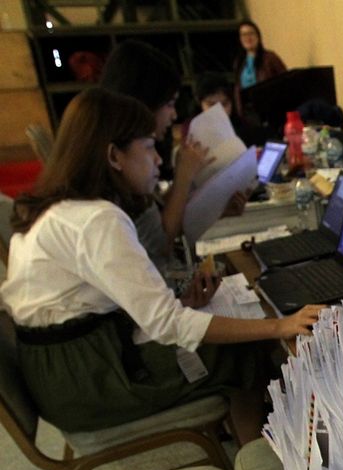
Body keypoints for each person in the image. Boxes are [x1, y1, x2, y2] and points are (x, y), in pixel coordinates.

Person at [0, 88, 321, 444]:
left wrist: (179, 305)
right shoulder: (97, 219)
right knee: (245, 351)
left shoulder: (64, 207)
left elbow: (112, 304)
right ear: (114, 156)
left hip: (65, 370)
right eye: (150, 146)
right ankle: (262, 464)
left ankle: (254, 452)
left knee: (233, 333)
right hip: (88, 381)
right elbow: (167, 324)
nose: (157, 161)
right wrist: (280, 325)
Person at [100, 40, 208, 274]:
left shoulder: (123, 149)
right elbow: (161, 244)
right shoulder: (124, 159)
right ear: (144, 102)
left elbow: (154, 215)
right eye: (169, 103)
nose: (174, 114)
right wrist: (183, 177)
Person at [233, 19, 287, 115]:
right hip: (249, 112)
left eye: (251, 33)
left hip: (270, 108)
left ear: (258, 36)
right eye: (244, 35)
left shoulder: (270, 58)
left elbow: (285, 80)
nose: (248, 37)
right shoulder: (239, 63)